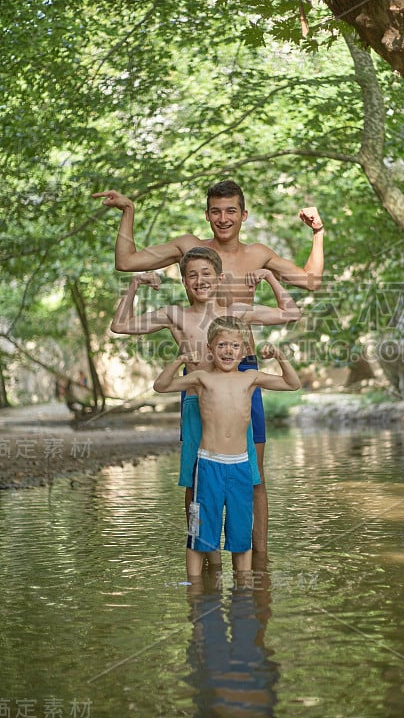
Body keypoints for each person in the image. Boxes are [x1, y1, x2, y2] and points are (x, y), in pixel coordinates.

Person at [94, 180, 324, 554]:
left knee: (253, 476)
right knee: (197, 477)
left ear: (243, 215)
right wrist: (128, 211)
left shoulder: (258, 254)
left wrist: (318, 233)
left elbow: (311, 282)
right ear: (207, 214)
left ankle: (257, 561)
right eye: (216, 211)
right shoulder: (190, 248)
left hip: (243, 371)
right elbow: (127, 263)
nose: (223, 218)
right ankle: (204, 559)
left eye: (231, 210)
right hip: (199, 377)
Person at [110, 246, 301, 557]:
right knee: (195, 483)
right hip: (196, 406)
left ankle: (251, 555)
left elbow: (290, 314)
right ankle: (203, 551)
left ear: (220, 278)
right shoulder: (176, 315)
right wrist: (134, 286)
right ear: (185, 282)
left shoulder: (235, 312)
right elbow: (121, 325)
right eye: (192, 276)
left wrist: (269, 277)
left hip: (234, 407)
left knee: (247, 476)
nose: (200, 280)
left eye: (206, 274)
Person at [153, 316, 301, 577]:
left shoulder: (250, 378)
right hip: (209, 465)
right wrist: (180, 359)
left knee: (241, 536)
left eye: (234, 346)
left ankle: (243, 591)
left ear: (244, 351)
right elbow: (161, 385)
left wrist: (279, 355)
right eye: (222, 345)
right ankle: (196, 591)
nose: (228, 351)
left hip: (240, 466)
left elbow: (292, 383)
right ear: (210, 348)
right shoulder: (201, 379)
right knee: (199, 533)